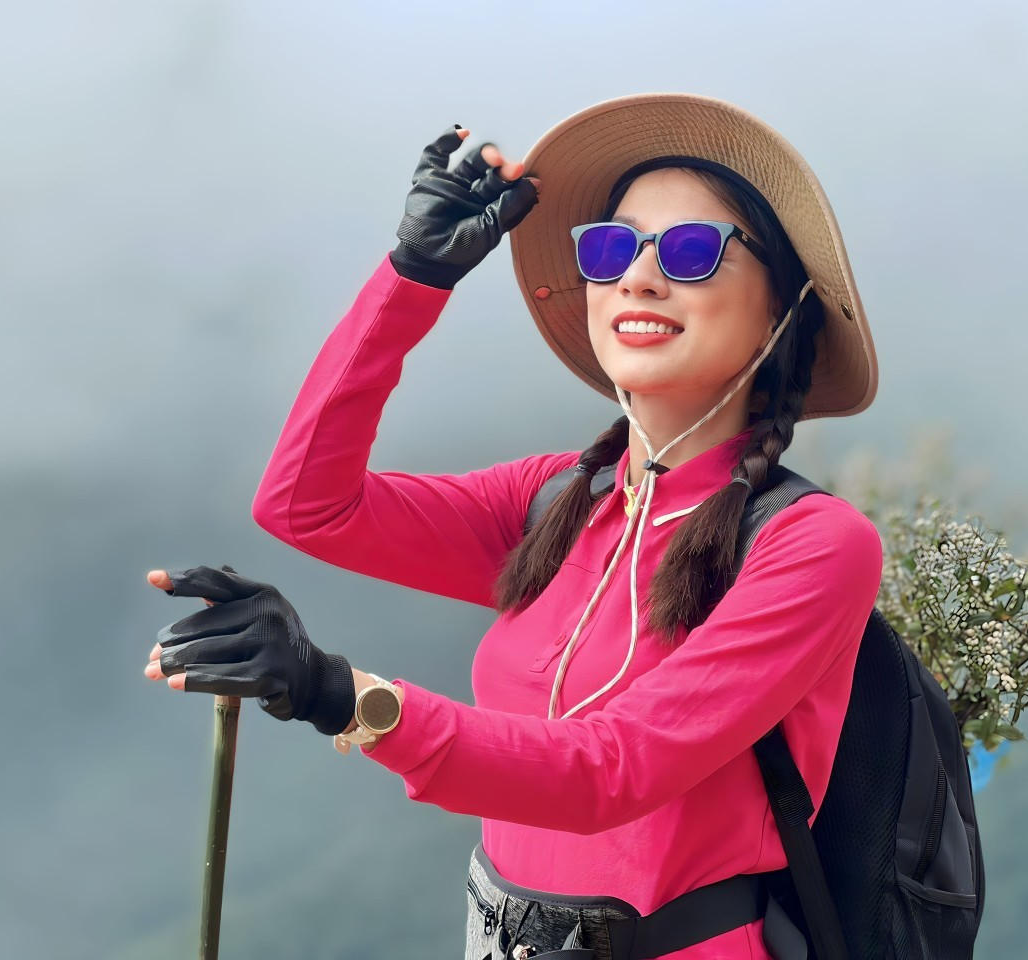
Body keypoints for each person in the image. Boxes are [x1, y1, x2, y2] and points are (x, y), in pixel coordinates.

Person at [144, 93, 882, 960]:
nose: (638, 278)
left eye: (691, 250)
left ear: (783, 306)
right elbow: (306, 503)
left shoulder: (813, 544)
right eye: (611, 249)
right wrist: (414, 277)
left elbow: (614, 771)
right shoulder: (556, 500)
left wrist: (337, 692)